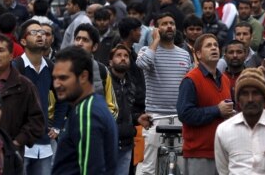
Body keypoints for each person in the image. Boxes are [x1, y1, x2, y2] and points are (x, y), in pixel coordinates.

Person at [136, 12, 192, 175]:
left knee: (181, 168)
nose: (169, 26)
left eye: (172, 23)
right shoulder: (148, 50)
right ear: (156, 28)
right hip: (155, 117)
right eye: (164, 23)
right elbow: (142, 63)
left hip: (179, 117)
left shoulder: (184, 54)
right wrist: (155, 41)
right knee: (149, 168)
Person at [51, 46, 118, 174]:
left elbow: (92, 169)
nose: (56, 84)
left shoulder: (86, 113)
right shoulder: (94, 105)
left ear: (83, 76)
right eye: (55, 78)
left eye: (63, 78)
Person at [12, 20, 68, 174]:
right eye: (34, 32)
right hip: (20, 142)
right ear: (23, 41)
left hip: (44, 143)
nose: (40, 36)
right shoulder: (15, 67)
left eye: (42, 33)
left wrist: (57, 125)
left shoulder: (50, 66)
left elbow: (62, 97)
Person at [214, 67, 265, 174]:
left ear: (264, 97)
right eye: (244, 94)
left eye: (256, 93)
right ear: (238, 99)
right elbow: (223, 170)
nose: (250, 99)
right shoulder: (224, 130)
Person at [177, 33, 233, 175]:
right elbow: (185, 114)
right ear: (198, 54)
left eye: (215, 45)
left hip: (223, 152)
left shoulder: (225, 79)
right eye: (208, 46)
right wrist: (216, 110)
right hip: (200, 154)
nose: (214, 48)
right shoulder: (190, 80)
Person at [109, 45, 150, 175]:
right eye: (119, 55)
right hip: (108, 143)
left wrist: (137, 118)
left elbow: (128, 112)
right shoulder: (105, 82)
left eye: (126, 56)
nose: (123, 59)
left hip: (126, 144)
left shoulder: (132, 84)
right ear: (110, 61)